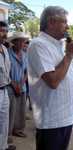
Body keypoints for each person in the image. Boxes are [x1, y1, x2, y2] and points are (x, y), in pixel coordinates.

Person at [27, 6, 73, 150]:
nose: (68, 26)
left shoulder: (58, 45)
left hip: (65, 117)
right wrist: (68, 55)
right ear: (51, 22)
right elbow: (53, 81)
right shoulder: (38, 44)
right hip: (52, 120)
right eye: (64, 22)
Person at [7, 32, 29, 140]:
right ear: (13, 42)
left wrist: (21, 84)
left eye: (23, 41)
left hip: (22, 86)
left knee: (21, 110)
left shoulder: (25, 55)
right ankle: (8, 133)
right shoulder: (7, 53)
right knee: (10, 111)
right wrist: (14, 85)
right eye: (19, 41)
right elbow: (5, 72)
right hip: (10, 86)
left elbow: (26, 71)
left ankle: (18, 129)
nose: (21, 43)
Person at [0, 21, 16, 150]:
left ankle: (3, 146)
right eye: (1, 31)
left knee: (4, 121)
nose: (4, 34)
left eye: (5, 31)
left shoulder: (5, 49)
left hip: (5, 89)